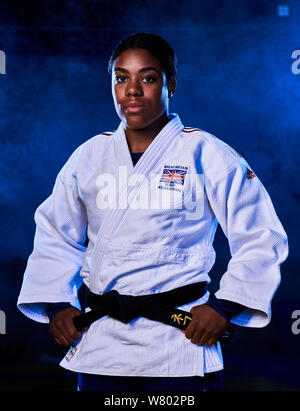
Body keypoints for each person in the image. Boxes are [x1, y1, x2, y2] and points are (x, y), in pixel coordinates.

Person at [17, 33, 288, 391]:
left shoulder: (205, 152)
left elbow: (260, 233)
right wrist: (56, 304)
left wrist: (223, 308)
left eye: (147, 78)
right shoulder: (89, 156)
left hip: (181, 337)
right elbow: (55, 234)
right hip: (103, 341)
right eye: (121, 78)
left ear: (170, 84)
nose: (132, 90)